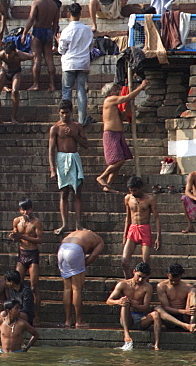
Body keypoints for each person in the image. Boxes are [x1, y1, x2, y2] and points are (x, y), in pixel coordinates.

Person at [98, 80, 148, 191]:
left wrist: (129, 106)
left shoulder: (114, 105)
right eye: (115, 90)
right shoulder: (109, 100)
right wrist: (141, 87)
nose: (118, 91)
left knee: (119, 162)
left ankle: (108, 185)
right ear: (109, 92)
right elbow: (126, 97)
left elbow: (122, 116)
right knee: (119, 160)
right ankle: (102, 177)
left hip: (118, 134)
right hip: (111, 134)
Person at [47, 100, 89, 235]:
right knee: (64, 193)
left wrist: (74, 135)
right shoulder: (55, 128)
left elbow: (86, 145)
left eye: (67, 112)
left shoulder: (77, 126)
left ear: (72, 112)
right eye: (62, 113)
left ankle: (78, 224)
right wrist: (52, 168)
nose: (65, 115)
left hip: (74, 158)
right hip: (61, 160)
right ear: (59, 112)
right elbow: (51, 149)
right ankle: (64, 224)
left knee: (77, 193)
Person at [58, 228, 104, 328]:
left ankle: (67, 320)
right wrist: (82, 265)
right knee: (76, 288)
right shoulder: (99, 240)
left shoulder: (77, 233)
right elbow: (94, 255)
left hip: (62, 249)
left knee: (67, 288)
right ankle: (79, 321)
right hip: (74, 250)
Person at [106, 261, 157, 350]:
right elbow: (109, 301)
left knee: (155, 314)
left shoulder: (147, 287)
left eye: (143, 278)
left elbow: (146, 307)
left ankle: (156, 344)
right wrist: (119, 301)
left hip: (141, 318)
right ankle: (126, 334)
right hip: (127, 317)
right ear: (134, 272)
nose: (140, 280)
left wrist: (134, 305)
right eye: (139, 276)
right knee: (125, 303)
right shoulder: (123, 284)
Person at [58, 3, 94, 124]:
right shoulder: (87, 30)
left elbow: (61, 50)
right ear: (80, 14)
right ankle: (82, 120)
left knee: (67, 91)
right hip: (83, 63)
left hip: (69, 64)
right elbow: (90, 47)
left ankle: (65, 119)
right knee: (81, 91)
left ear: (69, 14)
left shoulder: (66, 30)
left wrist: (58, 42)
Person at [9, 199, 42, 324]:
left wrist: (22, 236)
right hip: (22, 253)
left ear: (32, 209)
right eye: (23, 209)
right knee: (17, 284)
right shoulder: (17, 221)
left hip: (32, 254)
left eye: (27, 209)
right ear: (20, 210)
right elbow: (15, 235)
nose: (25, 212)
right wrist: (13, 236)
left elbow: (39, 240)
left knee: (34, 287)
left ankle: (36, 315)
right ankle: (18, 312)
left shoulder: (36, 222)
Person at [121, 176, 160, 278]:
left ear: (141, 188)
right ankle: (129, 283)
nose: (133, 193)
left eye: (135, 190)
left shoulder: (150, 199)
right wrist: (125, 235)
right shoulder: (128, 198)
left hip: (145, 229)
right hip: (133, 229)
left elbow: (156, 218)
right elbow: (128, 218)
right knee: (124, 261)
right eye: (131, 190)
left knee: (145, 263)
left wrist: (158, 237)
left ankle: (145, 285)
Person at [22, 0, 58, 91]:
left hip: (38, 31)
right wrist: (52, 34)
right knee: (49, 59)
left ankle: (36, 84)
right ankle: (52, 84)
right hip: (48, 31)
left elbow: (31, 19)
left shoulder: (36, 3)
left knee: (37, 58)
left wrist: (24, 33)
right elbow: (55, 23)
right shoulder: (54, 4)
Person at [154, 263, 196, 342]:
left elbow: (194, 306)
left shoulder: (188, 287)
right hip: (170, 319)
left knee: (194, 291)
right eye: (172, 280)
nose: (174, 282)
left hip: (185, 317)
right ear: (168, 275)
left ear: (181, 276)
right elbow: (166, 307)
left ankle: (192, 323)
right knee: (158, 308)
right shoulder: (161, 286)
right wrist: (185, 311)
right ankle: (186, 326)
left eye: (177, 280)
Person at [0, 42, 32, 124]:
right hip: (4, 71)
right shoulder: (2, 54)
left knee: (15, 91)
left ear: (14, 51)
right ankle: (0, 117)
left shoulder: (20, 55)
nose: (8, 56)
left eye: (10, 53)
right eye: (6, 53)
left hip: (16, 72)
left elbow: (32, 56)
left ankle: (13, 117)